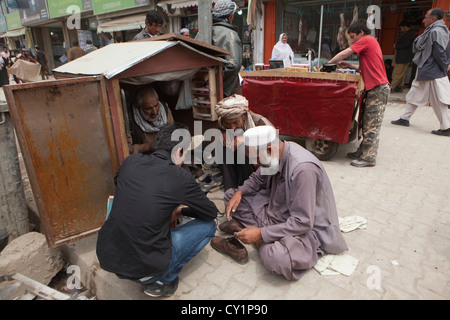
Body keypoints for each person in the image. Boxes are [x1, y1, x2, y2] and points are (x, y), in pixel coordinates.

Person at [97, 123, 218, 297]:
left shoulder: (131, 161)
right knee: (209, 227)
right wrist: (181, 211)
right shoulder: (180, 177)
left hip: (108, 258)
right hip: (144, 268)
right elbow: (210, 213)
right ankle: (164, 279)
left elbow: (120, 185)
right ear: (179, 152)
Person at [211, 126, 348, 280]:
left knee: (275, 257)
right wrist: (240, 192)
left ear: (269, 149)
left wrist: (261, 235)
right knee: (231, 196)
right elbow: (257, 178)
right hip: (274, 210)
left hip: (304, 229)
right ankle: (253, 233)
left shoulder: (303, 170)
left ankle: (254, 236)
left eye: (257, 159)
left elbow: (303, 223)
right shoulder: (275, 153)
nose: (256, 164)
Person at [327, 19, 390, 167]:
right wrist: (349, 65)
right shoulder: (371, 43)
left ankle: (369, 158)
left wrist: (328, 64)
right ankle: (362, 151)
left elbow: (344, 53)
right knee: (365, 121)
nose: (352, 40)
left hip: (378, 88)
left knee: (371, 124)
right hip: (373, 88)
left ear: (361, 33)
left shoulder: (367, 40)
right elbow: (363, 68)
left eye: (353, 36)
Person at [391, 8, 450, 137]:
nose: (423, 20)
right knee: (414, 93)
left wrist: (445, 66)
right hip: (426, 69)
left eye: (426, 17)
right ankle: (405, 118)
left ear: (433, 19)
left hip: (433, 71)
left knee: (438, 100)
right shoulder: (435, 30)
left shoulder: (437, 31)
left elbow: (440, 52)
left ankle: (446, 127)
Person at [214, 94, 273, 191]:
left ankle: (249, 188)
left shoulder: (260, 122)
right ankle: (230, 188)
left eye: (236, 122)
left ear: (244, 115)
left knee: (245, 148)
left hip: (261, 166)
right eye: (228, 124)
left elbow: (274, 150)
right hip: (239, 163)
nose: (232, 127)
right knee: (222, 144)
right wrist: (224, 134)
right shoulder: (224, 122)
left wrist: (246, 139)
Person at [210, 0, 242, 97]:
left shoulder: (206, 31)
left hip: (208, 85)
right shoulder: (230, 34)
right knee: (233, 110)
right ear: (230, 17)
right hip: (229, 87)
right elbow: (234, 64)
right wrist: (221, 82)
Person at [128, 86, 174, 154]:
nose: (155, 112)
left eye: (156, 106)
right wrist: (148, 146)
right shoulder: (130, 119)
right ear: (138, 106)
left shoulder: (165, 110)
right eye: (148, 108)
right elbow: (127, 149)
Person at [391, 21, 415, 92]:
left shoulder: (408, 34)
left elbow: (406, 45)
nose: (401, 30)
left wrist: (396, 46)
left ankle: (392, 86)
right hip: (406, 57)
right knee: (402, 73)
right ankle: (399, 86)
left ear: (405, 27)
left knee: (397, 72)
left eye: (401, 28)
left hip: (402, 57)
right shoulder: (411, 34)